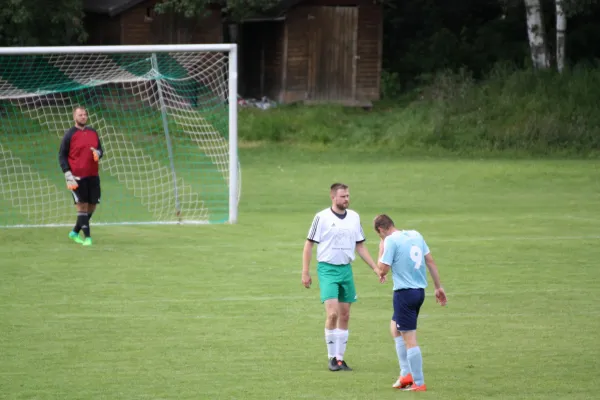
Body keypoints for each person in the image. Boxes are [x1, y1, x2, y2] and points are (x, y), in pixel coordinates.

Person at [302, 183, 381, 372]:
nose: (347, 199)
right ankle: (331, 358)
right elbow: (309, 245)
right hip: (327, 270)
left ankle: (340, 359)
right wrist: (305, 271)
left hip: (346, 270)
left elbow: (360, 246)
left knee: (345, 315)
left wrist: (375, 268)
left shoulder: (354, 217)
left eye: (348, 196)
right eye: (343, 196)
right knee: (332, 314)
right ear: (333, 197)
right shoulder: (321, 217)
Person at [373, 214, 447, 392]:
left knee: (410, 339)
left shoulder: (390, 241)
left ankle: (419, 383)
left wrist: (381, 248)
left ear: (381, 230)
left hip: (404, 294)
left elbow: (382, 271)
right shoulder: (415, 235)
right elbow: (430, 260)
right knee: (395, 328)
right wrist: (438, 287)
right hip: (418, 292)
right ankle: (406, 373)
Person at [58, 106, 104, 246]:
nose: (83, 117)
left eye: (85, 114)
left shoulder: (93, 132)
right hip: (76, 177)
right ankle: (88, 238)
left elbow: (100, 149)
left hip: (93, 175)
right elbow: (62, 155)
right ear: (74, 117)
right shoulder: (69, 134)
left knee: (92, 206)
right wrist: (67, 172)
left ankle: (74, 232)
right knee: (82, 206)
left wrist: (98, 153)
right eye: (80, 115)